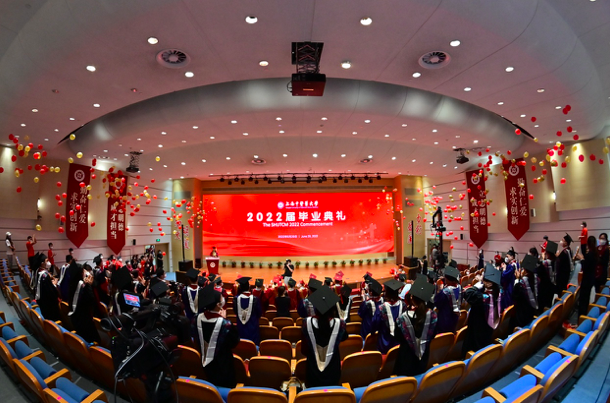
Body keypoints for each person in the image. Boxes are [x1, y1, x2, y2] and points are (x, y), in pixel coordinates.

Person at [300, 286, 347, 387]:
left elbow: (304, 351)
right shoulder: (340, 324)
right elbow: (344, 337)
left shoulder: (306, 323)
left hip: (312, 374)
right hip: (334, 373)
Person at [196, 284, 239, 389]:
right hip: (223, 364)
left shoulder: (196, 319)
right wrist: (224, 319)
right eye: (221, 298)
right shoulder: (226, 324)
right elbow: (234, 342)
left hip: (204, 363)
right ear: (218, 305)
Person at [394, 277, 438, 376]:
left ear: (412, 298)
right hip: (424, 356)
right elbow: (433, 334)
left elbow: (398, 337)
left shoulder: (402, 319)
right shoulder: (433, 315)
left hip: (406, 358)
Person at [462, 265, 502, 355]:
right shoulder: (498, 294)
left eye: (484, 279)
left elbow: (467, 293)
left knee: (475, 349)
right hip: (487, 329)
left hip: (477, 331)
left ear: (490, 284)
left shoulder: (482, 298)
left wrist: (477, 286)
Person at [67, 262, 100, 343]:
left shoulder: (71, 284)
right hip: (84, 319)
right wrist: (88, 285)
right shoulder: (82, 286)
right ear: (80, 273)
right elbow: (91, 300)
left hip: (76, 318)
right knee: (92, 339)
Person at [372, 279, 406, 354]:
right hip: (399, 342)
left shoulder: (381, 308)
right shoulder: (403, 305)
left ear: (386, 292)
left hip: (384, 343)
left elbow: (374, 324)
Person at [511, 255, 539, 328]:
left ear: (525, 271)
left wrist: (517, 279)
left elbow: (514, 296)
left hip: (522, 317)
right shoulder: (536, 280)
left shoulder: (520, 285)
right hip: (532, 313)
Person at [434, 264, 462, 334]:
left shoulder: (444, 292)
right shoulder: (459, 288)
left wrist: (439, 289)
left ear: (448, 280)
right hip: (455, 319)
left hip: (445, 322)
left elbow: (437, 303)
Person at [234, 277, 262, 344]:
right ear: (249, 287)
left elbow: (235, 311)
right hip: (253, 325)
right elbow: (259, 313)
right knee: (253, 344)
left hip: (240, 326)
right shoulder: (255, 299)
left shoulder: (236, 299)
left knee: (242, 343)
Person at [34, 253, 61, 321]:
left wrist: (49, 280)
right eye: (47, 261)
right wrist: (54, 284)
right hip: (47, 302)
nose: (48, 262)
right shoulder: (44, 276)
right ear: (42, 263)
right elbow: (51, 292)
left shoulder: (38, 270)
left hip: (41, 297)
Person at [576, 236, 598, 316]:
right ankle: (583, 314)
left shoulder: (590, 254)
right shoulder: (595, 253)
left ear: (588, 244)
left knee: (583, 299)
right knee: (586, 298)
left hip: (586, 280)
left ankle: (581, 317)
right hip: (591, 279)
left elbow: (585, 267)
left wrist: (582, 259)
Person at [532, 247, 552, 312]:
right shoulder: (541, 263)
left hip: (542, 288)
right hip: (545, 287)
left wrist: (543, 259)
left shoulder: (543, 264)